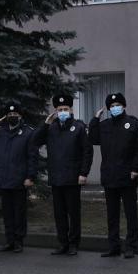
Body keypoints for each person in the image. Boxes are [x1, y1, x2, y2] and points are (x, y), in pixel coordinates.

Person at [33, 94, 93, 256]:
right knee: (59, 214)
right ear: (55, 111)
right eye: (60, 109)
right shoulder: (51, 128)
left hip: (73, 178)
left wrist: (83, 173)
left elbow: (87, 151)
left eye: (65, 109)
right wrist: (45, 124)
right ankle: (63, 243)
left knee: (73, 213)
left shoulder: (78, 127)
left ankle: (74, 244)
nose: (63, 112)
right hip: (56, 177)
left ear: (71, 110)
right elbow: (35, 141)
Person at [89, 93, 138, 259]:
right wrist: (95, 119)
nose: (115, 108)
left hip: (128, 176)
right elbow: (93, 138)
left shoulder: (134, 123)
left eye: (118, 105)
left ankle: (131, 246)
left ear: (124, 106)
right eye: (112, 106)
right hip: (110, 175)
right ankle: (113, 246)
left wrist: (136, 169)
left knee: (130, 214)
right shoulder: (104, 125)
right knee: (112, 215)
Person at [0, 101, 38, 253]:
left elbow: (32, 156)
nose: (12, 116)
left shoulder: (28, 132)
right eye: (9, 114)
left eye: (15, 114)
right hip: (3, 178)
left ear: (20, 116)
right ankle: (9, 241)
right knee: (7, 213)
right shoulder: (0, 132)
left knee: (19, 213)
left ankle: (19, 241)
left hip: (19, 179)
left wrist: (30, 176)